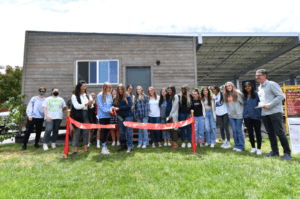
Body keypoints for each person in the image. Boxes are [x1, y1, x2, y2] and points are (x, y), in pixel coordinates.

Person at [256, 69, 292, 160]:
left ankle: (287, 153)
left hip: (275, 112)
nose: (257, 77)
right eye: (256, 75)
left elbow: (280, 96)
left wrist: (269, 105)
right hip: (265, 113)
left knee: (280, 132)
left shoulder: (272, 84)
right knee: (270, 133)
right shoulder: (260, 87)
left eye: (259, 75)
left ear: (264, 76)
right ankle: (275, 151)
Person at [70, 81, 94, 154]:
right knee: (77, 132)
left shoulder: (87, 95)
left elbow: (91, 106)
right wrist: (87, 104)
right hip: (77, 115)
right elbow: (77, 106)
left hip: (86, 114)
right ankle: (75, 149)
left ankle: (85, 149)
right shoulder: (74, 96)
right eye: (83, 86)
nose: (85, 87)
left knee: (86, 132)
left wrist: (90, 104)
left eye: (85, 86)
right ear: (79, 87)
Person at [224, 82, 245, 152]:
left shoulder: (237, 93)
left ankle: (241, 146)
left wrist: (240, 111)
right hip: (231, 115)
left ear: (232, 86)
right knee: (234, 131)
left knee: (239, 130)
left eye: (229, 86)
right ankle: (236, 145)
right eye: (227, 86)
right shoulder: (227, 95)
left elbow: (243, 102)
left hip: (239, 115)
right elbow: (228, 105)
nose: (228, 87)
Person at [242, 82, 262, 155]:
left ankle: (259, 148)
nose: (247, 87)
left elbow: (261, 103)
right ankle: (253, 147)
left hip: (256, 116)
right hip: (247, 116)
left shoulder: (256, 94)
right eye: (246, 86)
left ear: (251, 87)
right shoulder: (244, 96)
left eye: (249, 86)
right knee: (250, 132)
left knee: (258, 132)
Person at [114, 84, 133, 153]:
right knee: (121, 132)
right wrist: (113, 108)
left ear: (124, 89)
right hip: (120, 116)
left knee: (128, 131)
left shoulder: (127, 96)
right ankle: (123, 145)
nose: (120, 91)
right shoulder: (117, 97)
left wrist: (119, 108)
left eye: (121, 89)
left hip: (128, 115)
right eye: (119, 89)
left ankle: (130, 146)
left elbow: (129, 106)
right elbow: (114, 104)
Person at [97, 83, 113, 155]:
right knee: (103, 131)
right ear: (104, 88)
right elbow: (101, 107)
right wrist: (109, 110)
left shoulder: (109, 95)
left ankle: (105, 146)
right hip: (102, 116)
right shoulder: (100, 95)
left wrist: (112, 109)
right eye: (107, 88)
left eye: (110, 88)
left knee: (107, 131)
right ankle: (103, 148)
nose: (109, 89)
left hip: (108, 116)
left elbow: (111, 105)